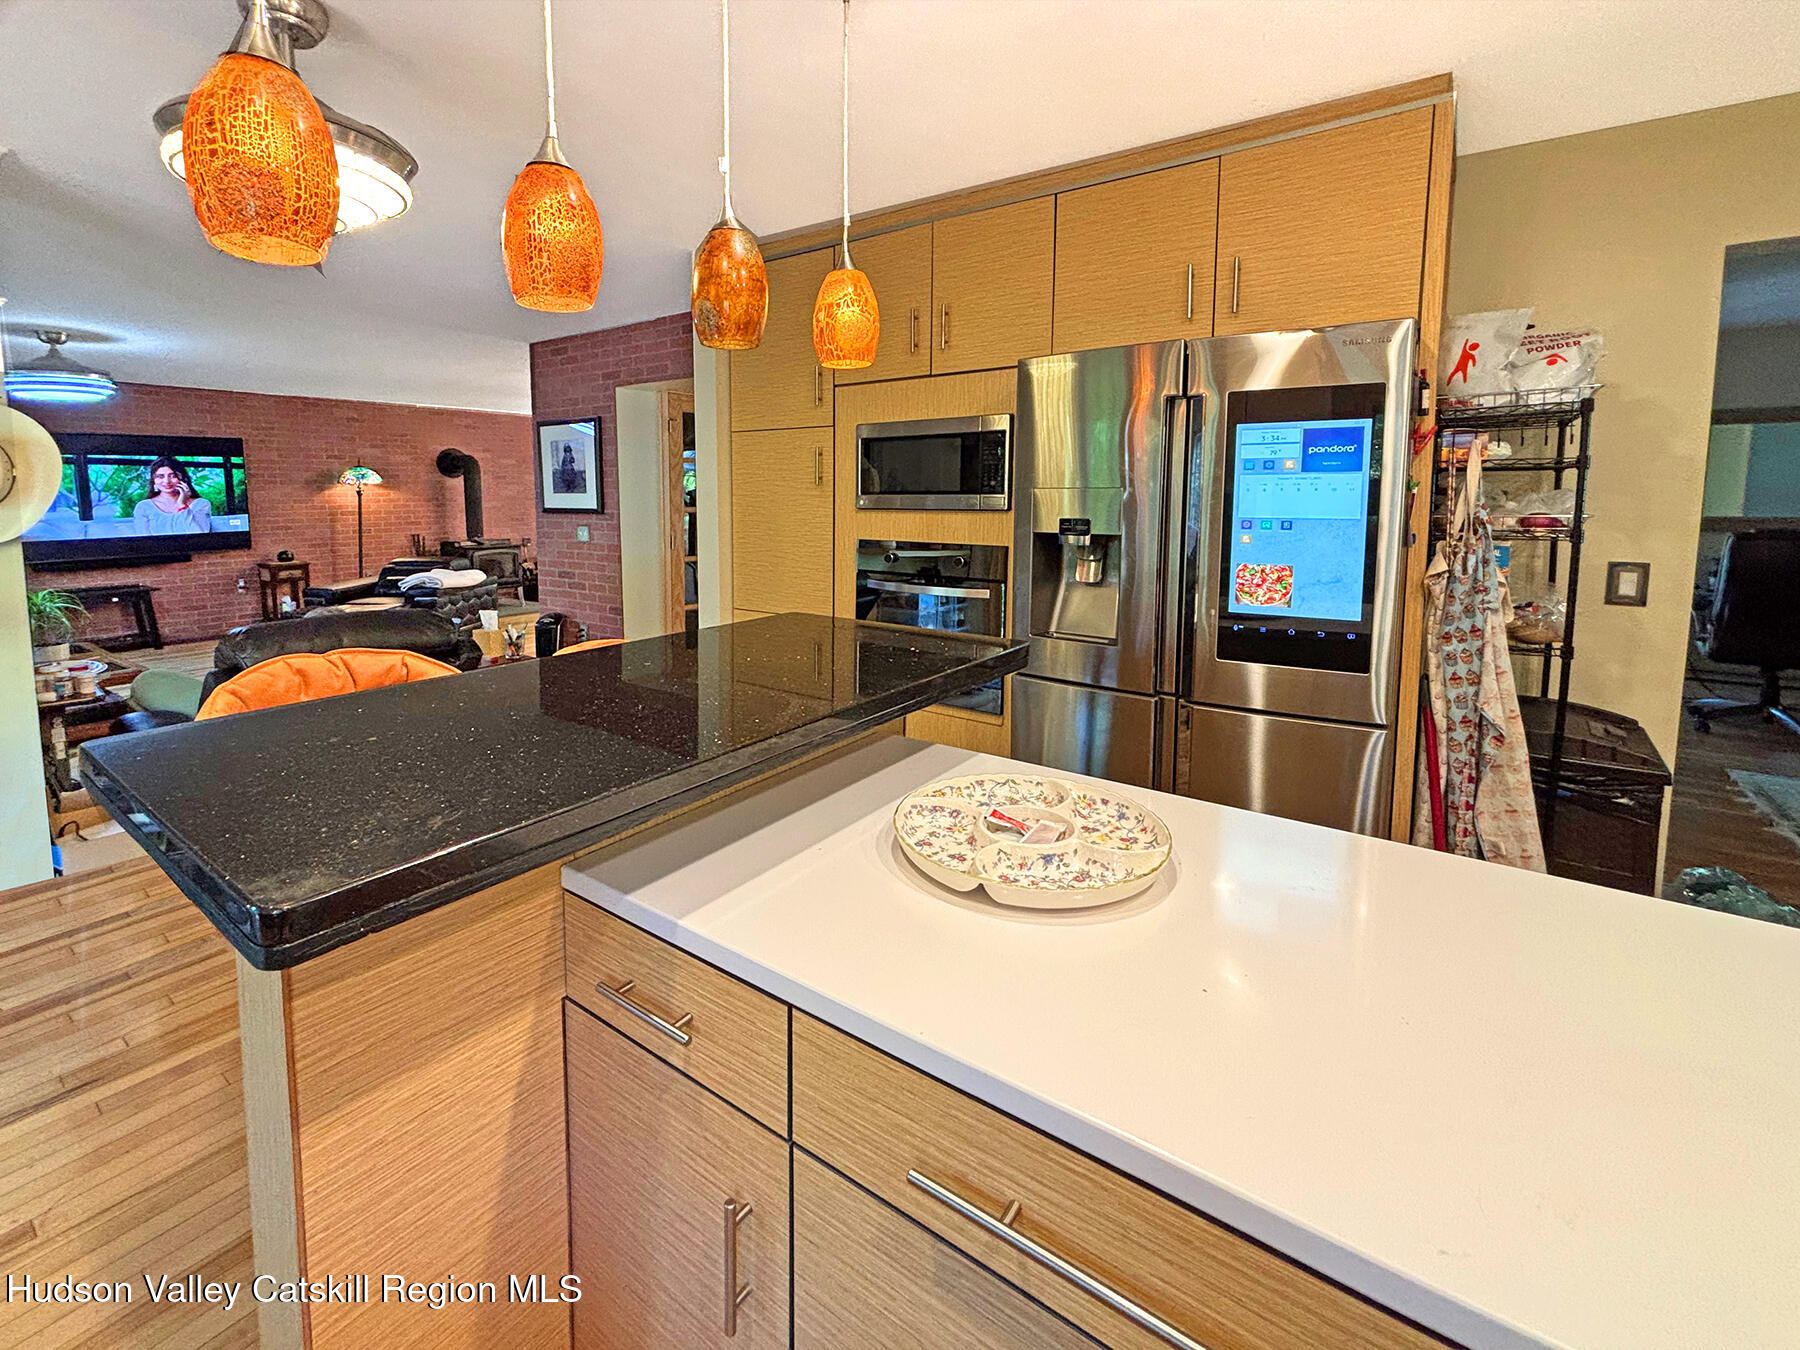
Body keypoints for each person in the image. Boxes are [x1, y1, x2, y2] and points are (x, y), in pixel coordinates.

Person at [132, 456, 213, 535]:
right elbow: (144, 542)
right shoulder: (143, 507)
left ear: (183, 478)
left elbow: (201, 537)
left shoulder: (201, 504)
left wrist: (182, 505)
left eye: (173, 476)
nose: (167, 481)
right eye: (160, 476)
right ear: (153, 480)